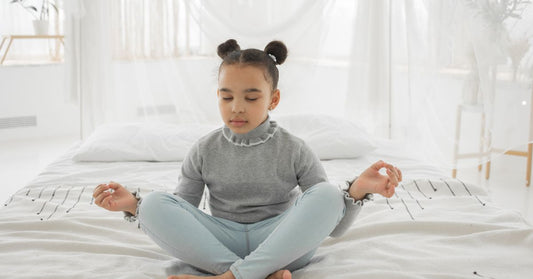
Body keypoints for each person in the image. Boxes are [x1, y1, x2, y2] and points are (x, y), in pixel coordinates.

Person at [92, 39, 402, 279]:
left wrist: (358, 190)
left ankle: (232, 275)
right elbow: (181, 214)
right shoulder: (203, 149)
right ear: (218, 96)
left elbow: (332, 225)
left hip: (282, 243)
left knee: (327, 194)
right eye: (226, 97)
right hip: (220, 242)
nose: (236, 107)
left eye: (251, 97)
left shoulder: (294, 149)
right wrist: (134, 206)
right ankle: (255, 273)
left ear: (273, 99)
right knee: (155, 203)